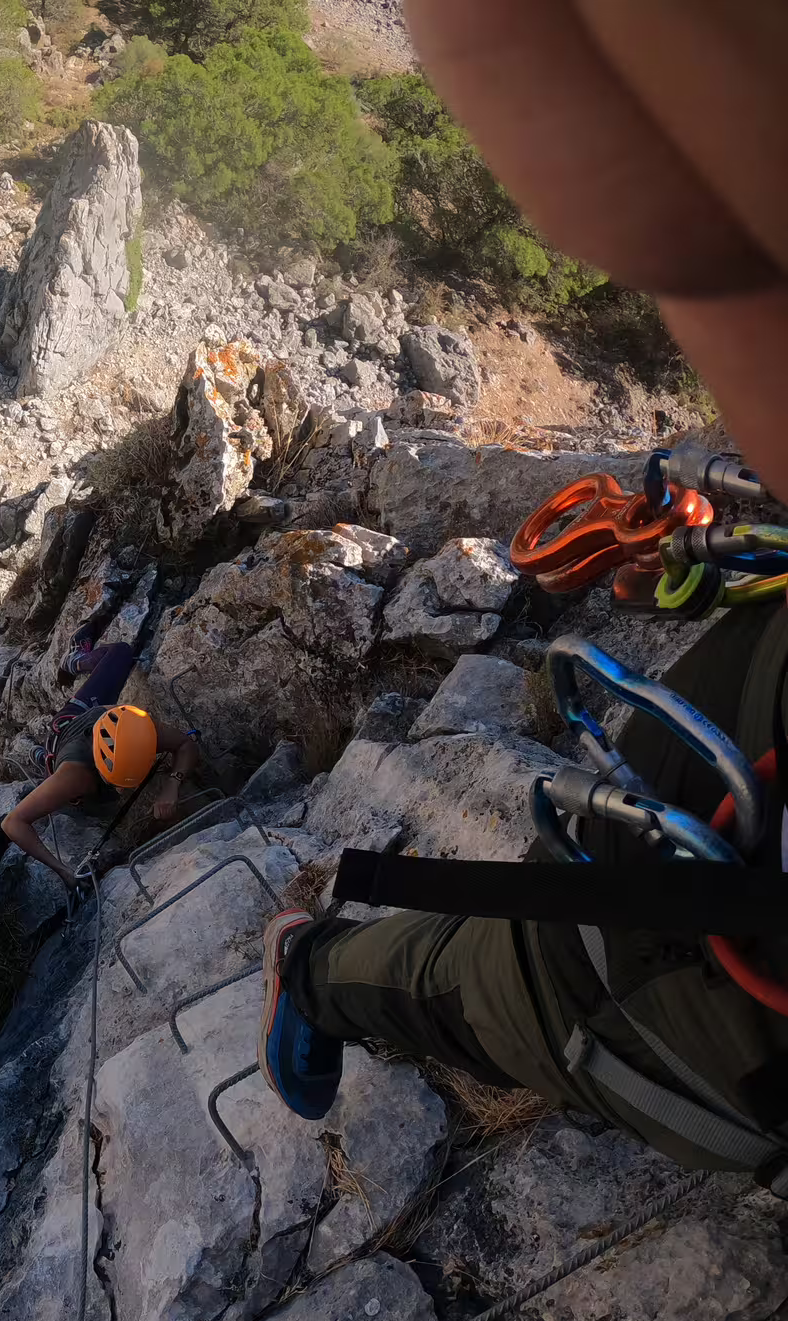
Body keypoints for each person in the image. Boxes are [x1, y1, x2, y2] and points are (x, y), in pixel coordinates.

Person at [261, 0, 788, 1183]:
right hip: (709, 850)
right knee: (549, 963)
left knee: (549, 965)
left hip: (725, 859)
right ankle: (318, 969)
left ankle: (317, 969)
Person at [0, 611, 205, 895]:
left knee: (121, 652)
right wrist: (64, 872)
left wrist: (172, 784)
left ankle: (75, 662)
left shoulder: (138, 728)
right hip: (69, 732)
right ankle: (43, 757)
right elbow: (13, 823)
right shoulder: (76, 776)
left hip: (88, 715)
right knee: (74, 792)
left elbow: (186, 744)